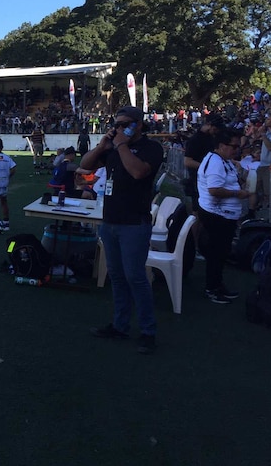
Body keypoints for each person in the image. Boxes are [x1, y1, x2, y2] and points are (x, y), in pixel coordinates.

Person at [81, 106, 164, 355]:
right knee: (116, 276)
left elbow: (139, 172)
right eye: (116, 124)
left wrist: (121, 146)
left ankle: (148, 332)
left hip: (134, 224)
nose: (118, 128)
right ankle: (120, 325)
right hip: (110, 221)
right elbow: (84, 167)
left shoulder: (151, 148)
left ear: (138, 124)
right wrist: (102, 146)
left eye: (124, 124)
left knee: (136, 277)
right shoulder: (114, 147)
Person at [196, 128, 250, 304]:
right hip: (217, 216)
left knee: (219, 254)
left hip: (222, 215)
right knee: (216, 255)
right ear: (221, 146)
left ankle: (217, 285)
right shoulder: (216, 162)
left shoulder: (220, 160)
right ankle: (212, 288)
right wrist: (238, 194)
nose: (236, 150)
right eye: (233, 146)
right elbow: (214, 190)